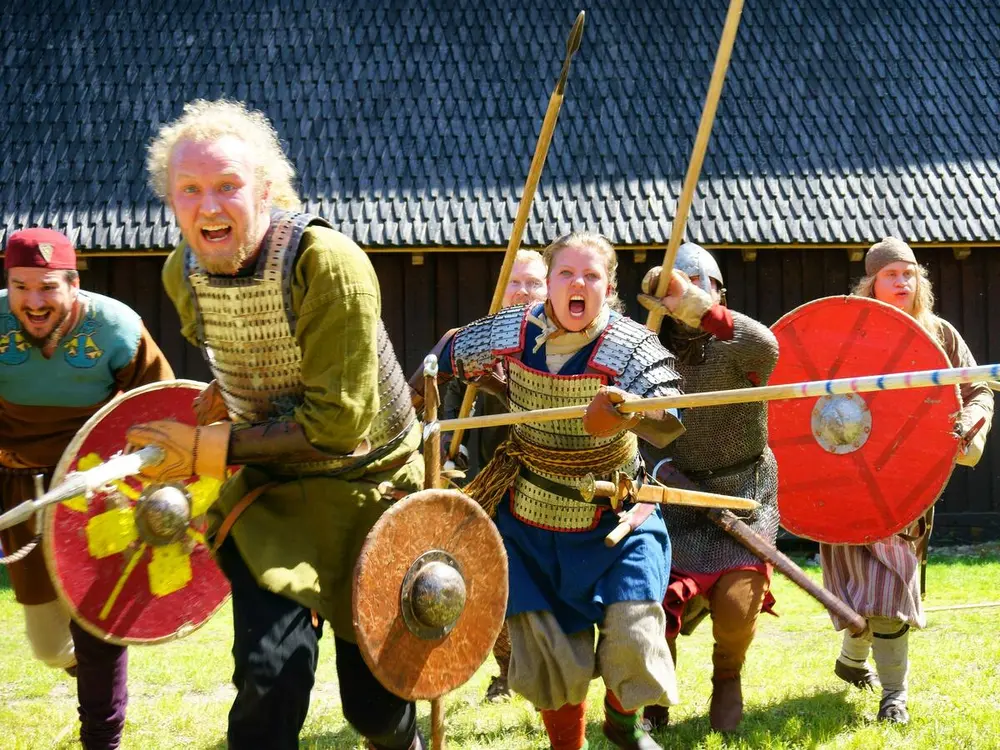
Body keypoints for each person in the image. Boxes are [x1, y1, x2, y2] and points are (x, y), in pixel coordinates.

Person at [127, 99, 425, 750]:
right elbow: (255, 357)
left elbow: (341, 424)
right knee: (268, 682)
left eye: (228, 186)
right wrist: (225, 392)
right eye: (191, 190)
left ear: (265, 188)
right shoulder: (183, 274)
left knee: (375, 705)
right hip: (274, 493)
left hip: (368, 487)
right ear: (171, 202)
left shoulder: (327, 263)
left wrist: (204, 447)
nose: (209, 207)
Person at [420, 232, 685, 750]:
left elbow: (669, 420)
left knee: (635, 634)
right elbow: (449, 351)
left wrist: (626, 409)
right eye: (566, 274)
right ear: (549, 284)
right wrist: (417, 391)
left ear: (608, 288)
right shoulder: (516, 331)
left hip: (616, 513)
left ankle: (622, 727)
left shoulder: (628, 344)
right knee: (550, 655)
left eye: (590, 276)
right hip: (531, 518)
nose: (577, 284)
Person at [0, 227, 174, 749]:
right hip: (20, 487)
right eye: (21, 287)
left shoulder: (117, 328)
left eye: (48, 286)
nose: (33, 301)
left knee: (96, 626)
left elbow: (158, 411)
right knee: (50, 645)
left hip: (95, 491)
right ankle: (97, 681)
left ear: (73, 284)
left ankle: (103, 735)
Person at [819, 237, 993, 725]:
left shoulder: (939, 333)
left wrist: (974, 419)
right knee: (860, 589)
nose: (902, 281)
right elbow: (807, 391)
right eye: (891, 274)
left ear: (921, 282)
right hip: (847, 480)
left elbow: (977, 386)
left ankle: (893, 693)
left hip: (907, 485)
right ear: (871, 282)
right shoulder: (848, 330)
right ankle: (854, 662)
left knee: (888, 585)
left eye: (909, 273)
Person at [636, 243, 780, 733]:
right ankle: (656, 692)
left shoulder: (738, 342)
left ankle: (727, 676)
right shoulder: (649, 345)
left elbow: (769, 350)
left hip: (743, 490)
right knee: (651, 599)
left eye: (701, 289)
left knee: (738, 607)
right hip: (672, 493)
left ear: (717, 292)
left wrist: (699, 307)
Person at [438, 247, 548, 702]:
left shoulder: (559, 343)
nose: (523, 292)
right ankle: (506, 672)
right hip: (490, 477)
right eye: (514, 283)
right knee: (490, 581)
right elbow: (449, 403)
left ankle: (551, 668)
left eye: (533, 283)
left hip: (547, 479)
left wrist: (501, 385)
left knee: (542, 583)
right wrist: (450, 446)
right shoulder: (477, 341)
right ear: (501, 290)